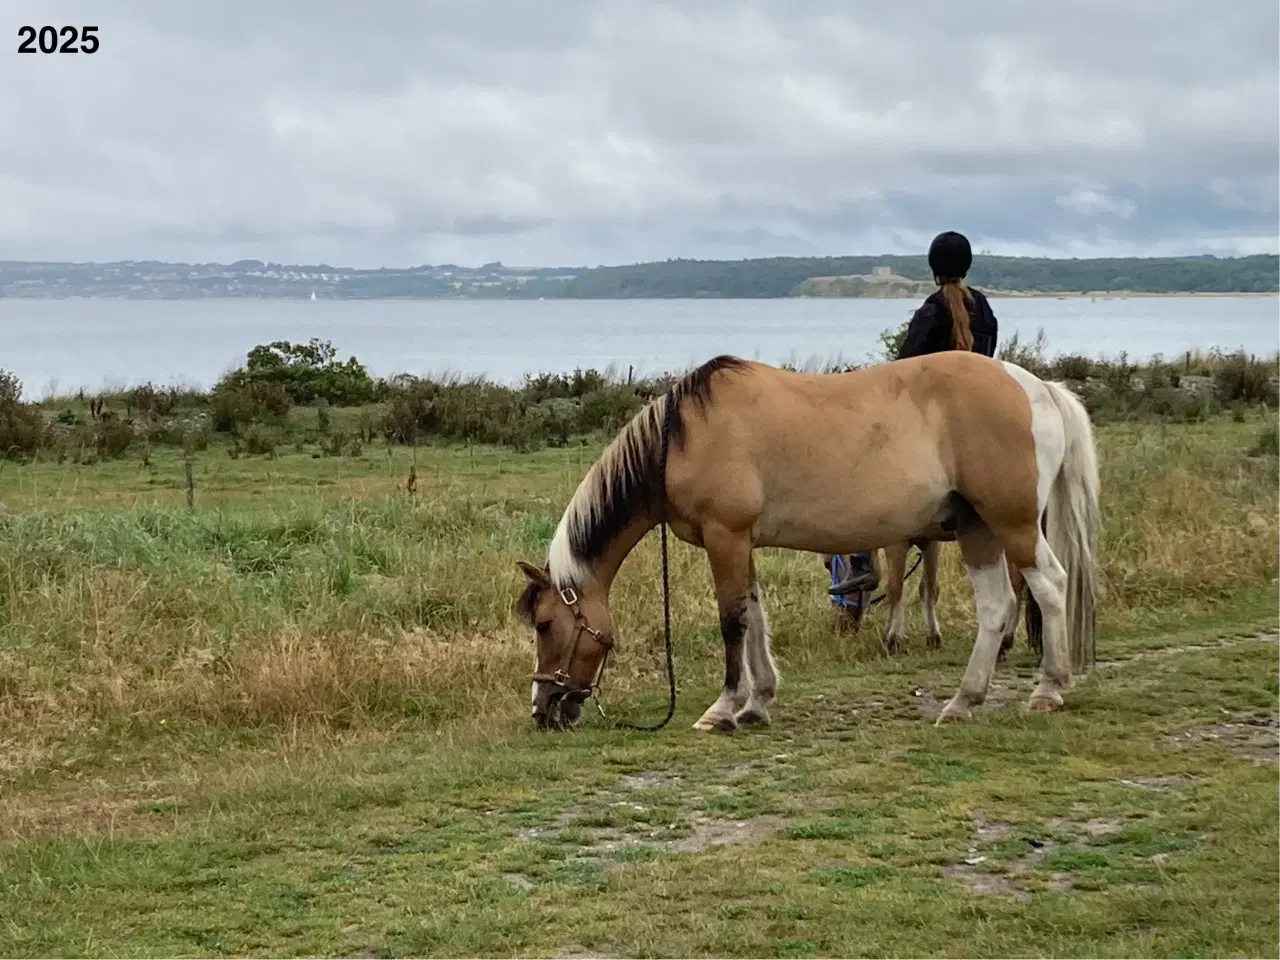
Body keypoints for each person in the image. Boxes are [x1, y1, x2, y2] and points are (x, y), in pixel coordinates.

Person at [827, 230, 1000, 598]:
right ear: (967, 266)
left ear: (933, 269)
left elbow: (902, 371)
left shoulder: (931, 311)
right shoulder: (984, 310)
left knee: (863, 465)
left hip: (930, 426)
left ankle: (861, 559)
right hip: (977, 423)